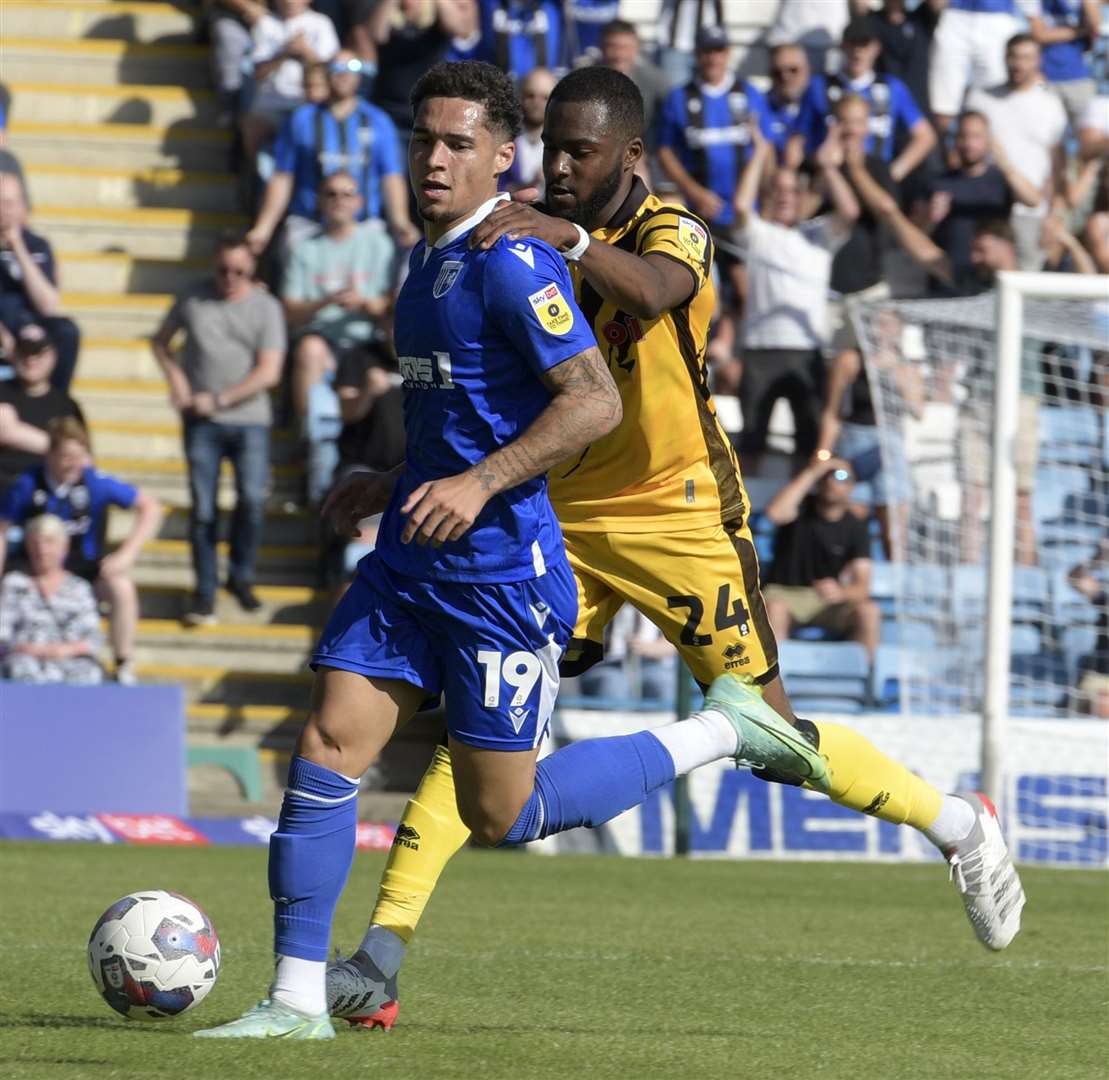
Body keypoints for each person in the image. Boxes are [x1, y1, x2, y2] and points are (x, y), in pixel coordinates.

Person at [315, 67, 1025, 1032]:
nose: (562, 170)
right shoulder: (507, 235)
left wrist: (565, 238)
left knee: (773, 740)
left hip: (682, 516)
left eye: (583, 153)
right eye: (553, 149)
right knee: (493, 722)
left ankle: (956, 824)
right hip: (559, 512)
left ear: (630, 157)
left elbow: (655, 292)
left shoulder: (665, 225)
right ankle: (380, 957)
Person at [193, 59, 851, 1042]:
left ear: (504, 157)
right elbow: (454, 421)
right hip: (414, 562)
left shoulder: (515, 261)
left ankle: (723, 729)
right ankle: (292, 1000)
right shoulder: (423, 264)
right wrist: (400, 482)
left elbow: (594, 401)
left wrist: (476, 483)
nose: (433, 159)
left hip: (501, 575)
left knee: (502, 813)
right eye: (423, 139)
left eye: (458, 143)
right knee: (327, 744)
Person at [845, 155, 1043, 565]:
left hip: (1022, 400)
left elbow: (1049, 219)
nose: (976, 256)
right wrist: (889, 209)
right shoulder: (972, 283)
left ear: (1006, 246)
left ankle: (1027, 572)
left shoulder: (1034, 279)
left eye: (983, 248)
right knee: (972, 494)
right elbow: (924, 251)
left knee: (1021, 496)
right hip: (978, 401)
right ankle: (971, 570)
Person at [151, 234, 286, 625]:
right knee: (203, 510)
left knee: (252, 502)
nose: (230, 277)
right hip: (201, 421)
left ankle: (240, 576)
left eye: (239, 270)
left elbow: (269, 371)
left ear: (252, 269)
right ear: (213, 265)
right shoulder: (192, 297)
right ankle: (205, 590)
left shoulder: (265, 307)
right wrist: (177, 381)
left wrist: (220, 399)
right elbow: (161, 343)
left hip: (249, 420)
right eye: (223, 269)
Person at [0, 418, 161, 685]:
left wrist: (126, 555)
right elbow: (2, 526)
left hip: (81, 565)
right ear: (50, 454)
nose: (74, 463)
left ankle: (123, 663)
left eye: (80, 456)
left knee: (121, 587)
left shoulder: (93, 483)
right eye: (66, 456)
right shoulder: (29, 483)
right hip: (37, 565)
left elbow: (150, 507)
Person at [735, 121, 858, 466]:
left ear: (804, 196)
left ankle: (800, 514)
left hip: (808, 352)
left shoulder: (818, 235)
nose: (785, 195)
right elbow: (742, 206)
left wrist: (829, 166)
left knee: (809, 442)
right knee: (752, 444)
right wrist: (760, 155)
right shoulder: (758, 235)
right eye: (778, 189)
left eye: (793, 190)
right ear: (769, 195)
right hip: (761, 350)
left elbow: (850, 211)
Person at [282, 170, 397, 504]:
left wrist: (364, 303)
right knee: (309, 349)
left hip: (368, 342)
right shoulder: (306, 249)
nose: (339, 201)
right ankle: (311, 435)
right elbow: (290, 310)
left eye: (347, 194)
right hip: (326, 341)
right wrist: (325, 302)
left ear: (360, 202)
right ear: (319, 202)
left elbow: (393, 302)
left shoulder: (377, 243)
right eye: (331, 194)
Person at [248, 49, 419, 259]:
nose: (344, 73)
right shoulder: (301, 120)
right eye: (337, 67)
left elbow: (391, 177)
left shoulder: (378, 121)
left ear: (361, 75)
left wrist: (400, 221)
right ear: (326, 73)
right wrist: (264, 227)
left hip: (363, 228)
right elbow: (283, 176)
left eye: (353, 67)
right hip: (309, 227)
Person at [786, 17, 936, 186]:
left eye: (864, 44)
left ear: (876, 48)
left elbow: (925, 136)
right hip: (831, 178)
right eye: (852, 43)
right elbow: (797, 140)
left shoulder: (891, 87)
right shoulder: (819, 86)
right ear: (842, 46)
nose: (858, 51)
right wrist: (809, 165)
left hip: (875, 176)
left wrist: (894, 172)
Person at [966, 33, 1068, 270]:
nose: (1018, 64)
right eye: (1013, 56)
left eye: (1026, 57)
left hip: (1031, 213)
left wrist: (1054, 215)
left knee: (1027, 285)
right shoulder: (980, 99)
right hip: (987, 207)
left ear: (1037, 61)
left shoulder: (1050, 104)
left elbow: (1057, 165)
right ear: (1004, 58)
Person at [762, 457, 880, 659]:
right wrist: (814, 470)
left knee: (869, 612)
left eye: (841, 476)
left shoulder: (856, 527)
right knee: (774, 609)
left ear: (852, 486)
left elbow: (862, 585)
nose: (832, 481)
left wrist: (842, 592)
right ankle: (773, 683)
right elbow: (774, 514)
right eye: (827, 475)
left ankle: (864, 680)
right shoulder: (799, 509)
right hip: (785, 594)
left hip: (828, 602)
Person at [921, 109, 1042, 296]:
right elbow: (918, 234)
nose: (969, 143)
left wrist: (1006, 164)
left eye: (976, 136)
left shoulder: (1000, 179)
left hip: (992, 284)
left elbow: (1034, 200)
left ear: (989, 140)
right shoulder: (939, 182)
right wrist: (930, 217)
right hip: (948, 283)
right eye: (963, 136)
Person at [0, 513, 104, 685]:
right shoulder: (14, 583)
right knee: (21, 671)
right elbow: (3, 634)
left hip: (69, 659)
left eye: (49, 542)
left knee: (87, 674)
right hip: (26, 659)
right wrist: (35, 651)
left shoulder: (79, 588)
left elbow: (93, 639)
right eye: (35, 543)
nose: (42, 549)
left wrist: (62, 650)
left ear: (64, 547)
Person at [0, 174, 80, 393]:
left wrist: (17, 247)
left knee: (67, 332)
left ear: (22, 206)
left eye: (8, 203)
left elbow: (48, 305)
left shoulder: (37, 246)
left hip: (34, 325)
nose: (2, 210)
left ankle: (54, 401)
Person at [241, 0, 340, 165]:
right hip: (271, 105)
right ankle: (253, 180)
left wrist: (305, 51)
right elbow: (257, 72)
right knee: (252, 127)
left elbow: (330, 70)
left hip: (309, 102)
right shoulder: (265, 24)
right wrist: (285, 52)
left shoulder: (321, 23)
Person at [0, 325, 84, 501]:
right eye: (25, 352)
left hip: (45, 497)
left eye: (38, 353)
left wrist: (16, 432)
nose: (31, 360)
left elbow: (82, 459)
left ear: (52, 356)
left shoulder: (66, 406)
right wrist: (58, 447)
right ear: (13, 354)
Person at [929, 0, 1024, 140]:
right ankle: (944, 155)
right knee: (943, 102)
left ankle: (998, 158)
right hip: (956, 12)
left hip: (997, 13)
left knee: (997, 100)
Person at [849, 0, 943, 124]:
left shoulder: (921, 18)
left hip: (917, 114)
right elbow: (858, 6)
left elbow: (938, 4)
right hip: (881, 115)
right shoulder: (871, 21)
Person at [1025, 0, 1101, 129]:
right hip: (1045, 77)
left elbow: (1095, 26)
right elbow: (1039, 35)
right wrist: (1081, 31)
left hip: (1080, 78)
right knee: (1046, 132)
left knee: (1089, 134)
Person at [596, 19, 669, 135]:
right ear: (601, 47)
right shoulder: (585, 80)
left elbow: (664, 127)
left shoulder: (655, 81)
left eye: (625, 48)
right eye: (613, 47)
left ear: (636, 48)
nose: (619, 54)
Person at [202, 0, 269, 125]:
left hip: (278, 15)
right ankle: (235, 112)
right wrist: (248, 7)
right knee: (229, 40)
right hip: (232, 16)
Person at [1068, 539, 1109, 718]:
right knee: (1104, 703)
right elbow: (1076, 579)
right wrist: (1096, 560)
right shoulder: (1105, 600)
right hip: (1102, 678)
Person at [501, 68, 556, 196]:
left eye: (544, 97)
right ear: (520, 97)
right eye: (530, 96)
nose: (537, 103)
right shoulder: (504, 139)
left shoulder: (562, 144)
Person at [763, 42, 811, 160]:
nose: (785, 77)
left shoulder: (821, 104)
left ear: (807, 70)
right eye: (777, 73)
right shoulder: (760, 107)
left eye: (793, 70)